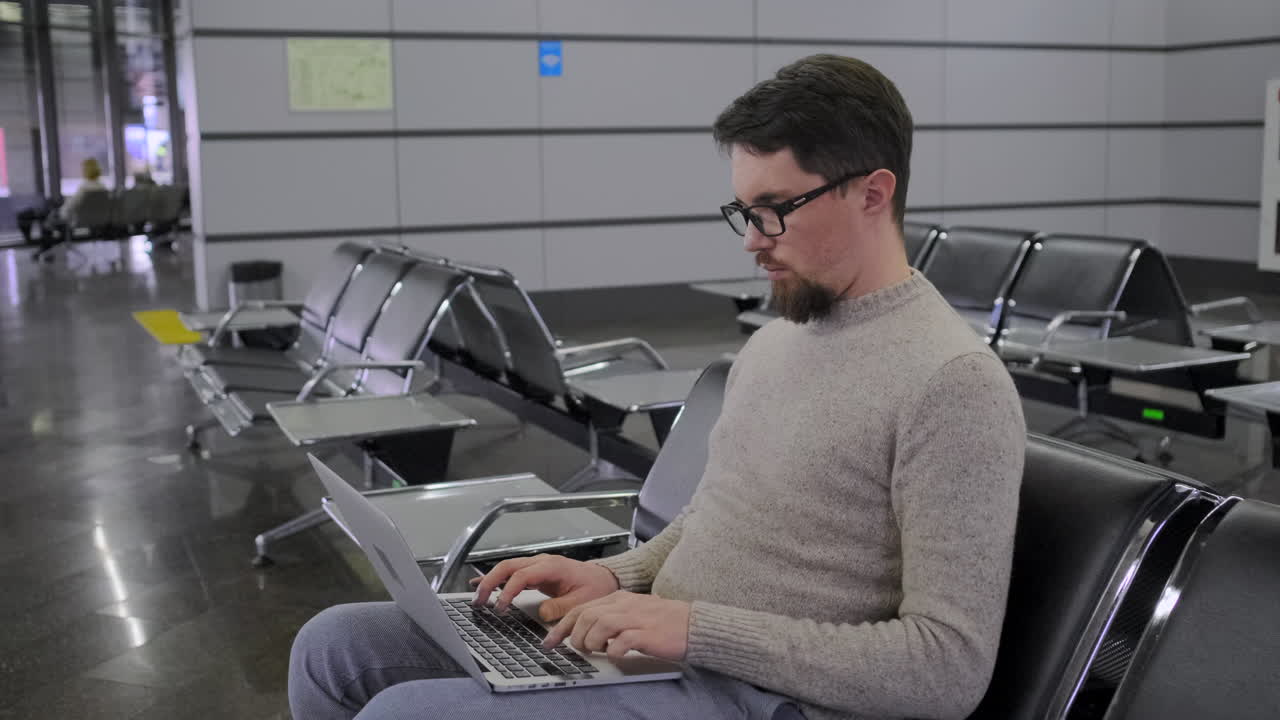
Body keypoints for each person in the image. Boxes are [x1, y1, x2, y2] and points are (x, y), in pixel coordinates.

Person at [289, 54, 1026, 720]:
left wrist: (696, 629)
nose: (751, 238)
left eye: (775, 209)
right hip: (668, 647)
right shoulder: (778, 341)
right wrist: (613, 577)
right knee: (334, 646)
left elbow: (946, 669)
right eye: (743, 210)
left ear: (873, 193)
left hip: (767, 696)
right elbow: (715, 519)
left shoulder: (952, 385)